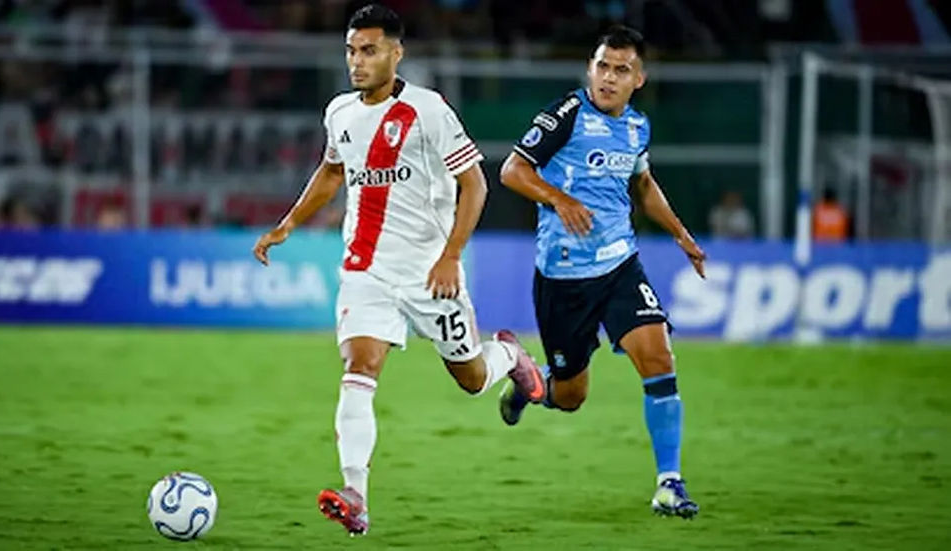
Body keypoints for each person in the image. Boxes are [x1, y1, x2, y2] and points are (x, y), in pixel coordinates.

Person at [251, 4, 545, 537]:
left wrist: (451, 254)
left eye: (368, 50)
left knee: (473, 380)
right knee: (358, 370)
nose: (357, 62)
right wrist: (288, 224)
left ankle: (512, 356)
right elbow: (331, 171)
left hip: (431, 273)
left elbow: (475, 184)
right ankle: (356, 494)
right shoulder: (339, 111)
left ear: (396, 52)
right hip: (366, 269)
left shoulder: (428, 110)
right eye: (350, 51)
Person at [498, 25, 706, 519]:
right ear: (590, 69)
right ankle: (532, 383)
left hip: (618, 264)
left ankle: (669, 484)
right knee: (571, 397)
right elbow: (512, 170)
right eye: (602, 67)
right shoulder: (566, 115)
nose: (608, 78)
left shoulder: (637, 127)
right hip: (563, 277)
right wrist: (559, 198)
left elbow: (644, 183)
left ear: (640, 78)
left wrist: (679, 233)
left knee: (658, 357)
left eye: (621, 70)